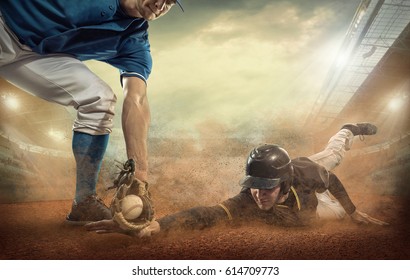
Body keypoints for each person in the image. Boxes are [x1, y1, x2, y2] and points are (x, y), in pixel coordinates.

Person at [0, 0, 183, 224]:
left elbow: (137, 99)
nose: (161, 4)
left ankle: (84, 202)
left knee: (100, 99)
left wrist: (141, 176)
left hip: (37, 56)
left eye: (171, 2)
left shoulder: (135, 42)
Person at [85, 122, 388, 237]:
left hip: (311, 179)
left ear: (283, 184)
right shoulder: (250, 198)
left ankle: (349, 129)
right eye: (253, 185)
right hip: (306, 198)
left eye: (267, 187)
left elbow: (332, 181)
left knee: (333, 154)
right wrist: (159, 224)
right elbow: (209, 213)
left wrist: (353, 211)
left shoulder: (307, 175)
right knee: (327, 215)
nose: (258, 194)